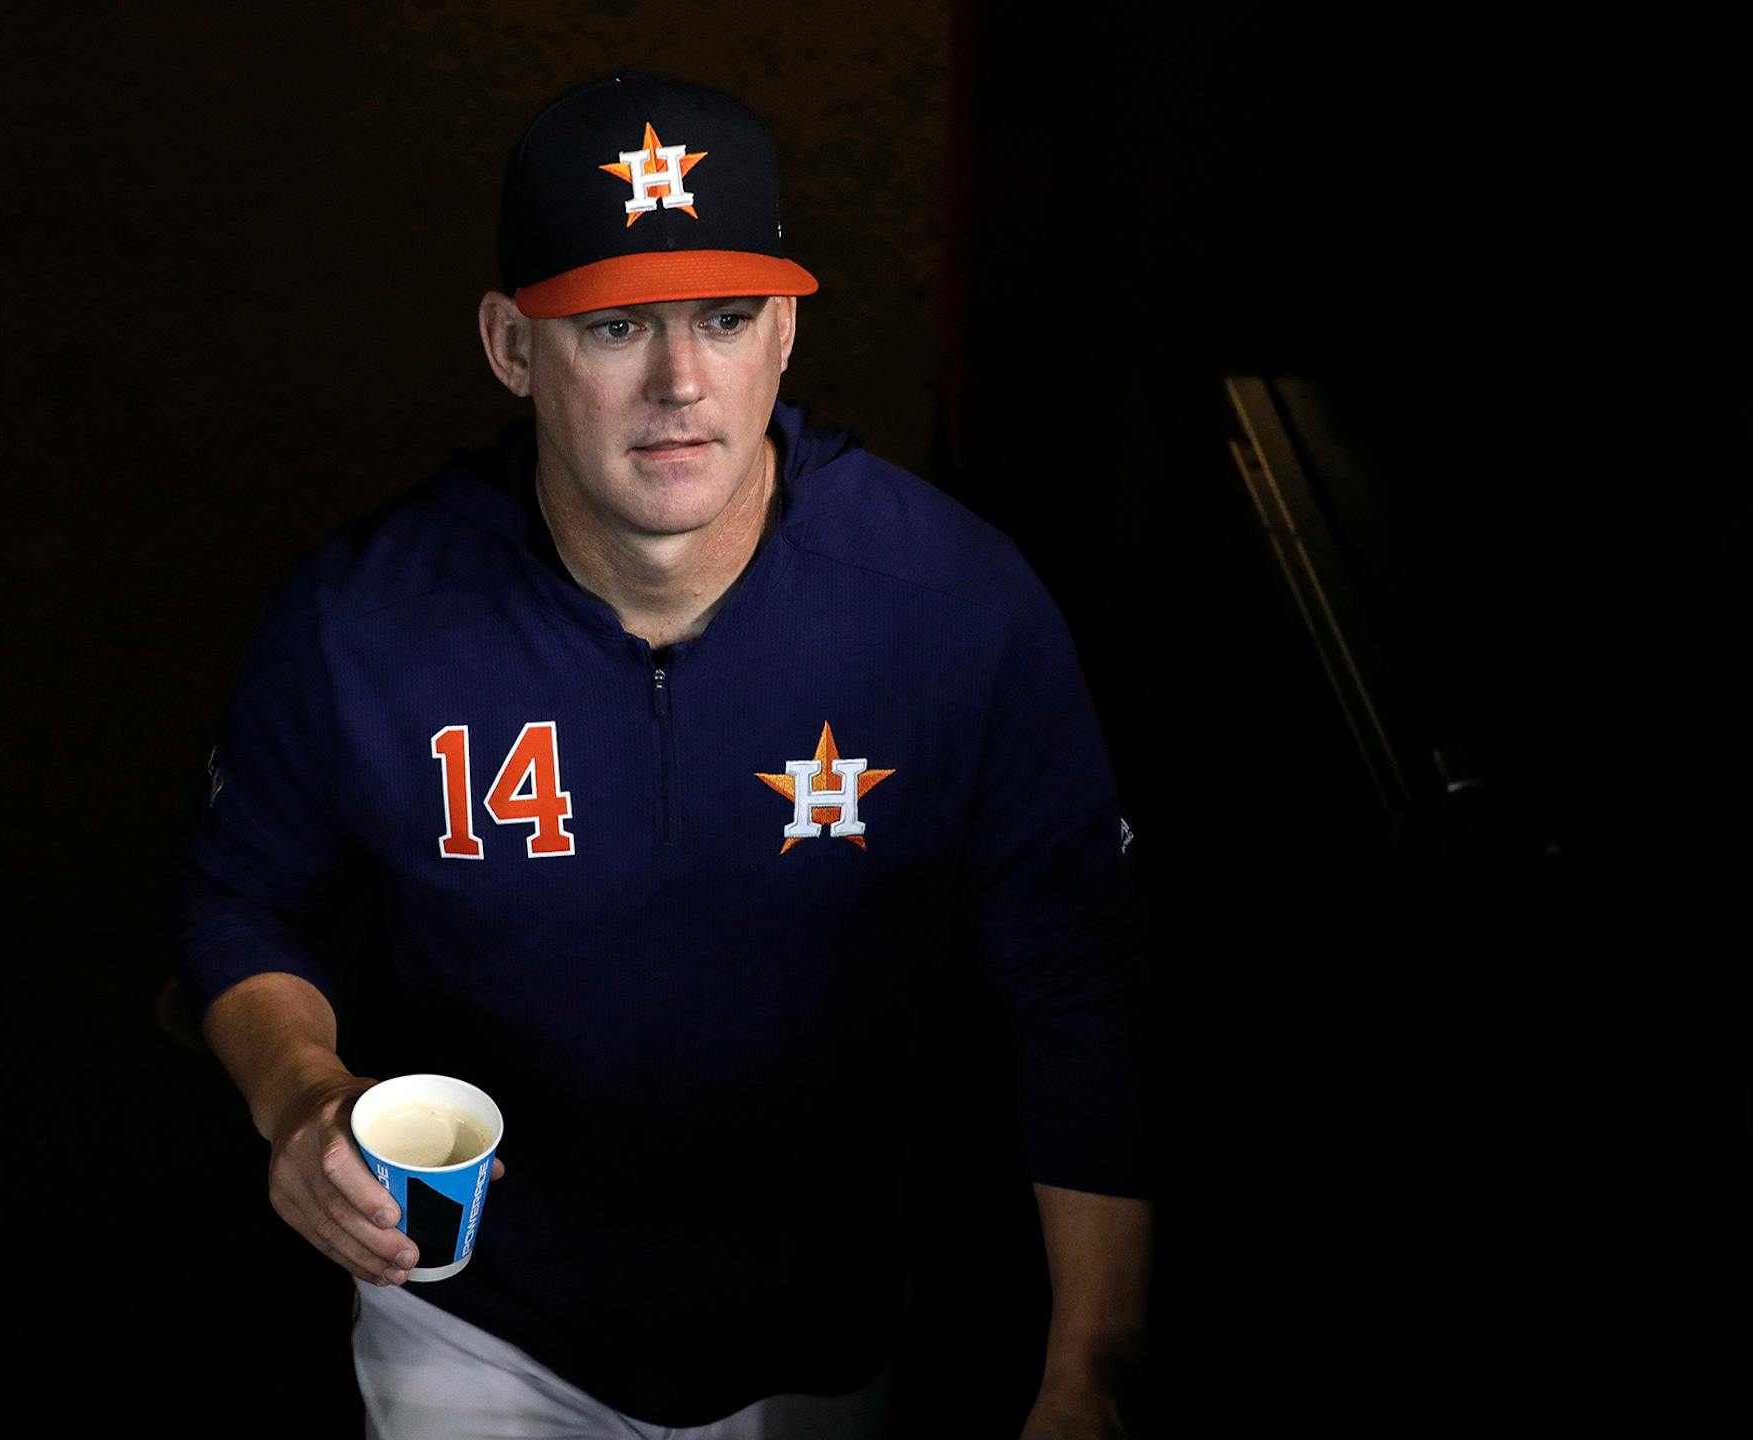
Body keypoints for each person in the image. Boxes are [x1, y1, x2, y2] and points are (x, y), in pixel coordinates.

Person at [174, 71, 1151, 1440]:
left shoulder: (961, 613)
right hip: (477, 1315)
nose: (680, 385)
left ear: (788, 333)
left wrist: (1091, 1362)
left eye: (728, 319)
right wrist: (301, 1096)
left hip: (829, 1328)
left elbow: (1081, 981)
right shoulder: (363, 619)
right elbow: (242, 893)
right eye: (617, 325)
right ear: (513, 346)